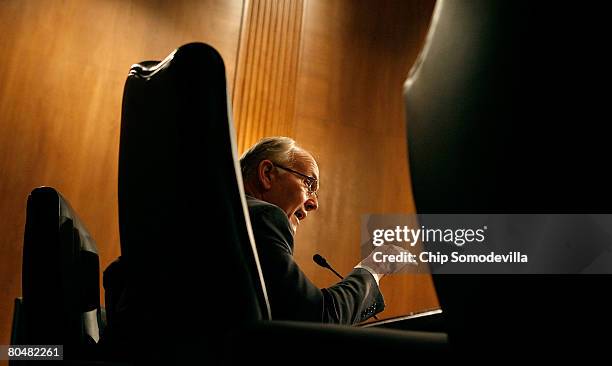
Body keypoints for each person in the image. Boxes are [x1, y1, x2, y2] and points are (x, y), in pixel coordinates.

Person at [240, 136, 407, 325]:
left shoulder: (239, 217)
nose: (314, 204)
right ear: (267, 173)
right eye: (309, 184)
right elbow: (317, 318)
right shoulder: (264, 217)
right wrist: (374, 269)